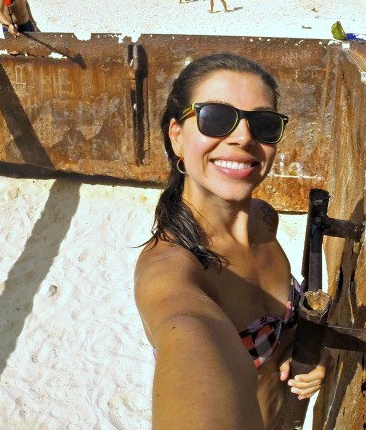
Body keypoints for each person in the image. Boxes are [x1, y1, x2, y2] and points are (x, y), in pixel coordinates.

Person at [134, 54, 327, 430]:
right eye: (216, 118)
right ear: (177, 136)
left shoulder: (264, 218)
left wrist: (310, 355)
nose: (243, 137)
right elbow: (187, 332)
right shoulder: (172, 270)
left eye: (264, 124)